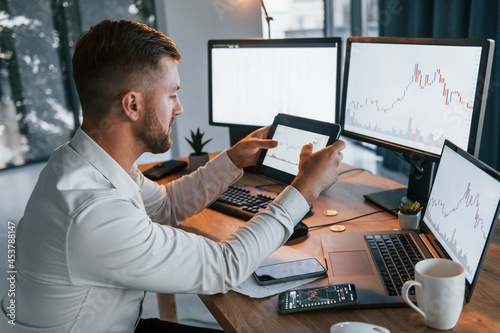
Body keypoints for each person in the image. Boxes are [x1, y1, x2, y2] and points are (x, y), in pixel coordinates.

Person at [0, 19, 346, 332]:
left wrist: (231, 161)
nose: (179, 108)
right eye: (172, 94)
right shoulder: (95, 212)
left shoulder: (80, 162)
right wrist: (306, 188)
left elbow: (164, 206)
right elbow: (223, 267)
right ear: (132, 105)